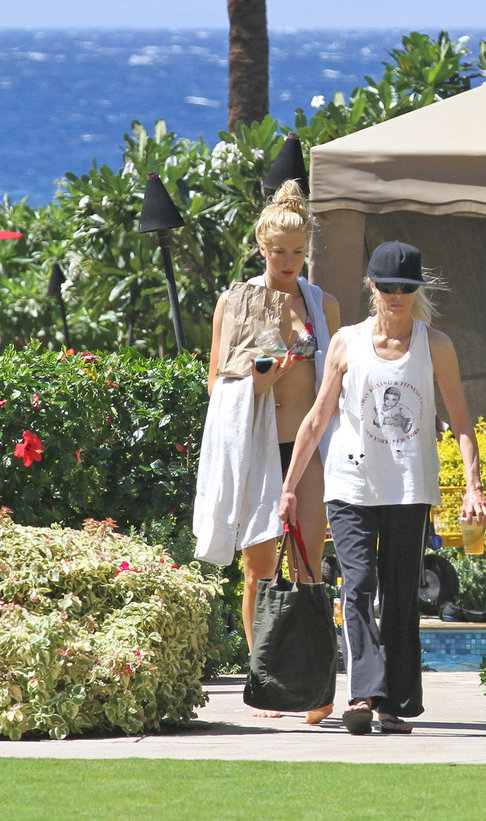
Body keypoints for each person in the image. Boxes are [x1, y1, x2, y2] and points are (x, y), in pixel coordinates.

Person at [278, 240, 486, 735]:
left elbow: (460, 419)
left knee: (398, 594)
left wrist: (473, 486)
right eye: (387, 287)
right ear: (372, 287)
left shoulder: (435, 344)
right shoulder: (347, 343)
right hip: (351, 483)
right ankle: (362, 694)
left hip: (410, 488)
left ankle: (394, 704)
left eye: (405, 289)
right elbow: (317, 419)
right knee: (358, 585)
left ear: (416, 291)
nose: (396, 296)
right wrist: (289, 487)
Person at [197, 179, 340, 722]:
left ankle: (314, 686)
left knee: (309, 563)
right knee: (259, 567)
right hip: (257, 444)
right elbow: (215, 383)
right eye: (278, 251)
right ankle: (266, 681)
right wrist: (258, 383)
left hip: (306, 449)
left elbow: (338, 373)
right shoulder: (235, 301)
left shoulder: (323, 304)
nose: (287, 261)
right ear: (261, 245)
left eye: (298, 252)